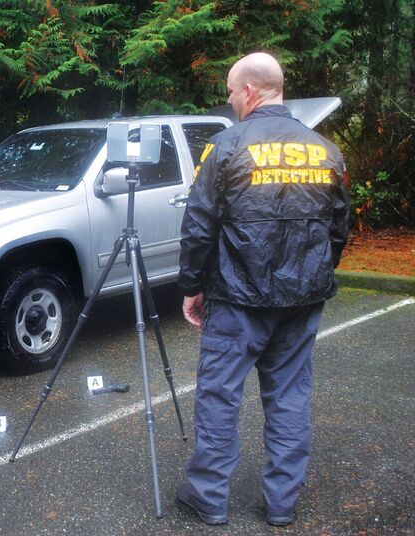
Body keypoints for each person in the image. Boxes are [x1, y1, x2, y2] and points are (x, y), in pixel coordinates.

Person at [175, 52, 349, 527]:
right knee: (290, 397)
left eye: (231, 92)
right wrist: (314, 275)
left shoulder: (225, 147)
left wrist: (192, 286)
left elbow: (198, 227)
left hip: (237, 299)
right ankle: (282, 504)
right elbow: (339, 229)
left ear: (249, 91)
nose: (230, 100)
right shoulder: (325, 150)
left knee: (219, 396)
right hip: (303, 299)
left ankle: (209, 497)